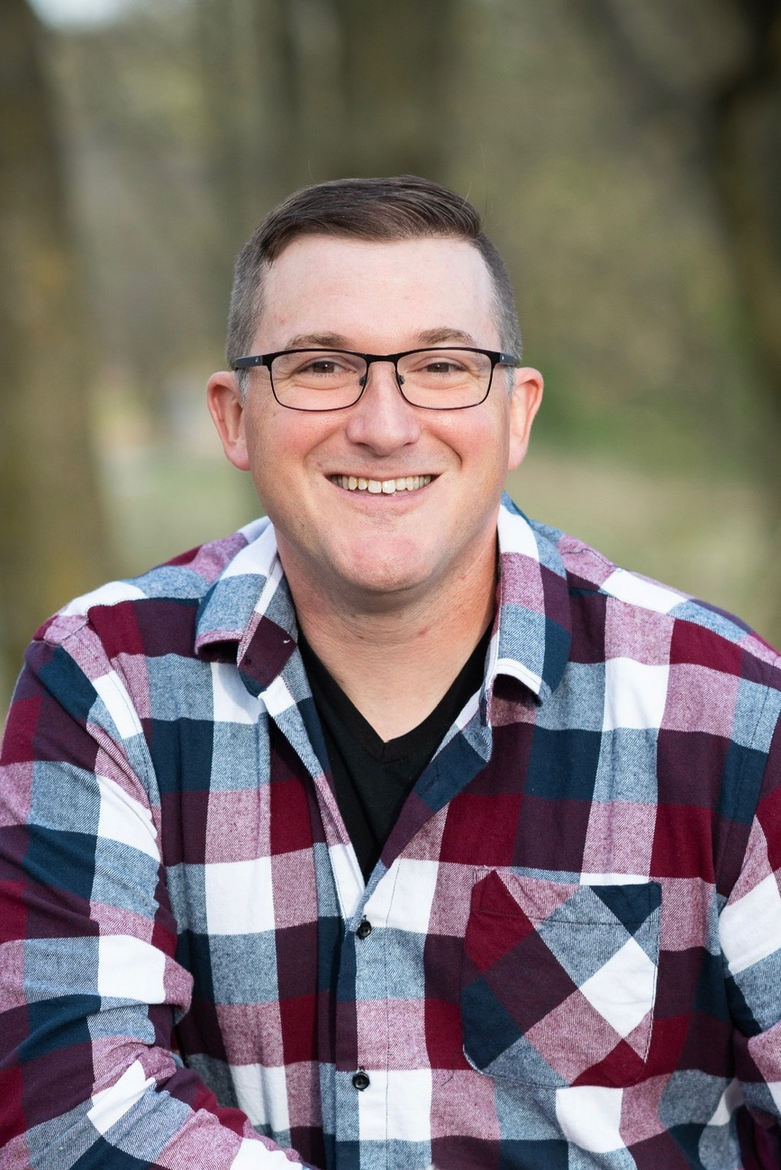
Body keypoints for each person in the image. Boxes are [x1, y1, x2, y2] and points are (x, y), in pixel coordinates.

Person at [1, 175, 780, 1170]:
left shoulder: (728, 710)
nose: (383, 423)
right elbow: (69, 1115)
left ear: (516, 414)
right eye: (321, 366)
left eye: (442, 366)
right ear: (233, 417)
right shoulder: (105, 682)